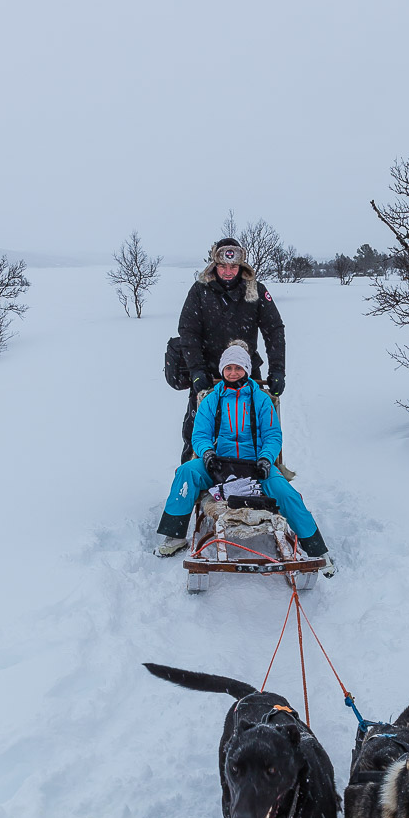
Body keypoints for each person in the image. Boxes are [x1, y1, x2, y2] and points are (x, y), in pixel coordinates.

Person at [155, 344, 334, 574]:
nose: (232, 373)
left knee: (286, 493)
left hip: (256, 467)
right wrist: (207, 453)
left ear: (247, 370)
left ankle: (317, 549)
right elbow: (199, 434)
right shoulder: (212, 400)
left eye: (238, 368)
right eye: (228, 368)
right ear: (222, 370)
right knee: (186, 472)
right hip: (219, 464)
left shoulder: (261, 400)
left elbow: (272, 435)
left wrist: (267, 459)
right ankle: (175, 535)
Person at [176, 237, 286, 462]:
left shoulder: (255, 290)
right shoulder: (200, 291)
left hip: (246, 374)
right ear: (214, 265)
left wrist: (278, 370)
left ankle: (257, 477)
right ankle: (193, 482)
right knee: (197, 431)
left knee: (251, 429)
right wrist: (196, 371)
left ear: (241, 266)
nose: (228, 271)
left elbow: (274, 329)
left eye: (233, 266)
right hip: (208, 374)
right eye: (223, 266)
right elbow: (188, 332)